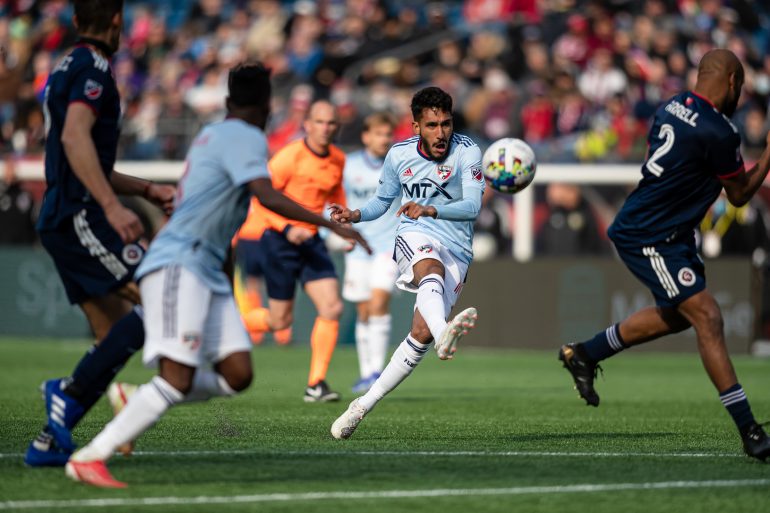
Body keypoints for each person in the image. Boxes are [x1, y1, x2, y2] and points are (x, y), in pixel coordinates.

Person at [64, 62, 369, 488]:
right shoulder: (243, 138)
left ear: (229, 101)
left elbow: (226, 217)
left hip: (205, 267)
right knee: (178, 377)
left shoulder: (216, 135)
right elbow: (266, 195)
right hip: (179, 262)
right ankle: (91, 456)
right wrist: (328, 221)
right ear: (267, 105)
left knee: (237, 374)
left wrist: (224, 280)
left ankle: (137, 397)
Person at [558, 49, 770, 461]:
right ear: (731, 82)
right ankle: (750, 431)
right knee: (707, 316)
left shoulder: (672, 105)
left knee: (677, 316)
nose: (740, 97)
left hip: (667, 233)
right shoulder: (720, 131)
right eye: (740, 88)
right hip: (650, 235)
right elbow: (741, 195)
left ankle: (585, 353)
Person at [25, 0, 177, 467]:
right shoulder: (93, 68)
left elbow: (83, 152)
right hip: (82, 215)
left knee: (111, 333)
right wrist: (112, 206)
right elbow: (74, 140)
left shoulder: (65, 64)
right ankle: (66, 392)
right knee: (159, 300)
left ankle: (49, 443)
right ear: (117, 20)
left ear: (74, 21)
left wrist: (146, 189)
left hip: (62, 214)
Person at [328, 86, 481, 440]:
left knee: (420, 333)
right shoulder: (398, 156)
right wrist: (355, 214)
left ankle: (362, 405)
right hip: (413, 234)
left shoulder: (468, 150)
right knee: (431, 270)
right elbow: (382, 202)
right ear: (415, 126)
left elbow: (472, 207)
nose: (441, 133)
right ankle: (446, 333)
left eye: (446, 123)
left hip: (458, 248)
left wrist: (430, 207)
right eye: (431, 125)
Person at [242, 100, 348, 402]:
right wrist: (288, 228)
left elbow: (335, 194)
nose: (326, 128)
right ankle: (224, 326)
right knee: (280, 322)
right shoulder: (289, 157)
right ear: (307, 125)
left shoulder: (338, 159)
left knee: (332, 307)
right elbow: (261, 199)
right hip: (279, 240)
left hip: (312, 240)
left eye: (331, 123)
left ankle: (316, 384)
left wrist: (343, 222)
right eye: (320, 122)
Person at [341, 112, 400, 394]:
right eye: (378, 134)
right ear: (366, 136)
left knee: (378, 304)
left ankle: (378, 372)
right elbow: (334, 199)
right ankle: (366, 373)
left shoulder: (399, 165)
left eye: (387, 134)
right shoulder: (349, 166)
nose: (384, 139)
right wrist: (335, 234)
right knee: (363, 311)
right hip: (357, 248)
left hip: (389, 246)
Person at [232, 200, 292, 345]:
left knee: (270, 282)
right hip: (250, 238)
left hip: (268, 235)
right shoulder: (253, 188)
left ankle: (281, 332)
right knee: (254, 283)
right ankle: (257, 332)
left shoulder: (266, 186)